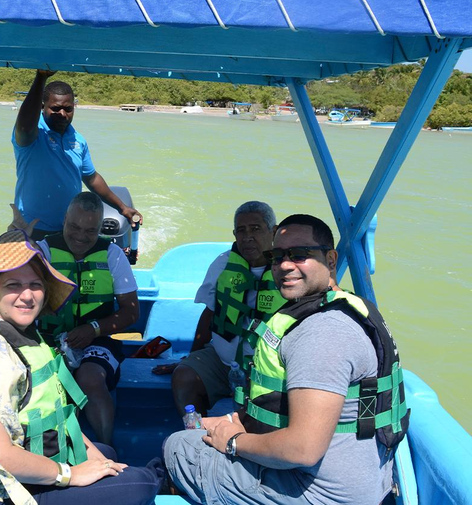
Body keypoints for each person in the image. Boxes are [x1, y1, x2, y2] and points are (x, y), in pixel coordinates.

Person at [164, 214, 409, 505]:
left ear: (331, 259)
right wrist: (235, 420)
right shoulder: (346, 309)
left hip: (318, 492)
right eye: (277, 256)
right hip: (360, 479)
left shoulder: (322, 333)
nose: (284, 265)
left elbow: (302, 450)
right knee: (204, 428)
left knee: (179, 445)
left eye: (300, 255)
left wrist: (233, 441)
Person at [0, 230, 164, 505]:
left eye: (35, 284)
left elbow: (51, 412)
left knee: (105, 455)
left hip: (19, 473)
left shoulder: (25, 336)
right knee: (141, 484)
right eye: (13, 285)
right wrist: (70, 474)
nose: (27, 295)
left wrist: (93, 455)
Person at [36, 192, 139, 446]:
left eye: (90, 230)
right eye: (74, 226)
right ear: (64, 220)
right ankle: (52, 449)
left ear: (100, 228)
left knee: (90, 378)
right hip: (49, 340)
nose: (81, 236)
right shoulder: (43, 252)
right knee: (48, 382)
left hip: (98, 341)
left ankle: (107, 448)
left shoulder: (113, 255)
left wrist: (93, 329)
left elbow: (131, 312)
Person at [170, 201, 285, 416]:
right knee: (184, 376)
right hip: (223, 363)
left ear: (274, 231)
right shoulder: (223, 264)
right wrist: (190, 357)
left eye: (256, 229)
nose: (247, 237)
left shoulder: (287, 271)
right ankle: (196, 436)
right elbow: (210, 313)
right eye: (241, 231)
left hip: (267, 368)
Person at [12, 69, 142, 240]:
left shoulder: (78, 140)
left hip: (69, 228)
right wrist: (41, 77)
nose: (63, 114)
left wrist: (122, 207)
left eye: (68, 109)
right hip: (31, 228)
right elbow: (24, 127)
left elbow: (92, 178)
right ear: (42, 107)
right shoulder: (32, 135)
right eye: (55, 108)